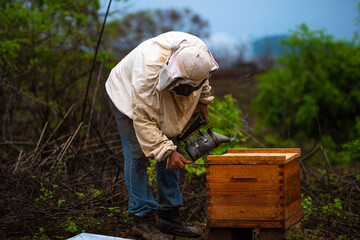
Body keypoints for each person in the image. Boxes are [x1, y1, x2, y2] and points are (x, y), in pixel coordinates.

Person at [105, 31, 219, 240]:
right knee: (138, 154)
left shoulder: (197, 51)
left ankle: (169, 214)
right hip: (127, 95)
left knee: (172, 145)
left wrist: (202, 100)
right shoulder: (146, 75)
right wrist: (167, 152)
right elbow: (144, 121)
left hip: (158, 98)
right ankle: (142, 217)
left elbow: (203, 79)